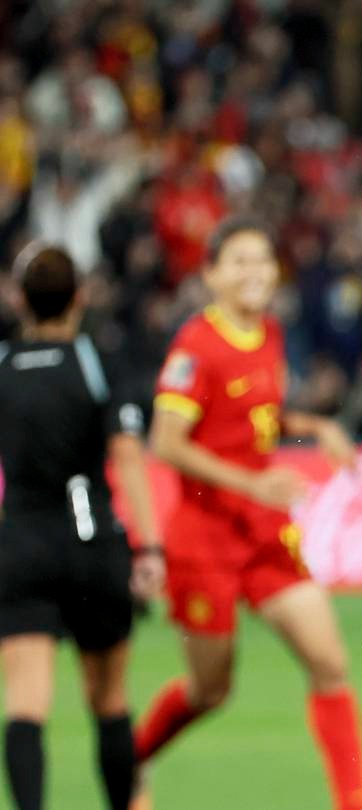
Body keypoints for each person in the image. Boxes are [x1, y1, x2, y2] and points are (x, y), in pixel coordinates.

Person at [130, 217, 362, 810]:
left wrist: (315, 426)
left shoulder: (267, 333)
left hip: (263, 533)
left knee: (329, 663)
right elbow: (166, 442)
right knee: (212, 690)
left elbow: (259, 418)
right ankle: (128, 760)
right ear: (210, 273)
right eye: (238, 261)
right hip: (203, 538)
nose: (254, 271)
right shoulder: (195, 346)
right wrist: (250, 483)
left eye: (262, 260)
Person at [0, 244, 164, 810]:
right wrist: (150, 548)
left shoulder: (2, 367)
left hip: (21, 545)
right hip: (92, 543)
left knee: (26, 707)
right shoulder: (97, 364)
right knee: (110, 700)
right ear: (80, 297)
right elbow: (128, 457)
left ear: (18, 298)